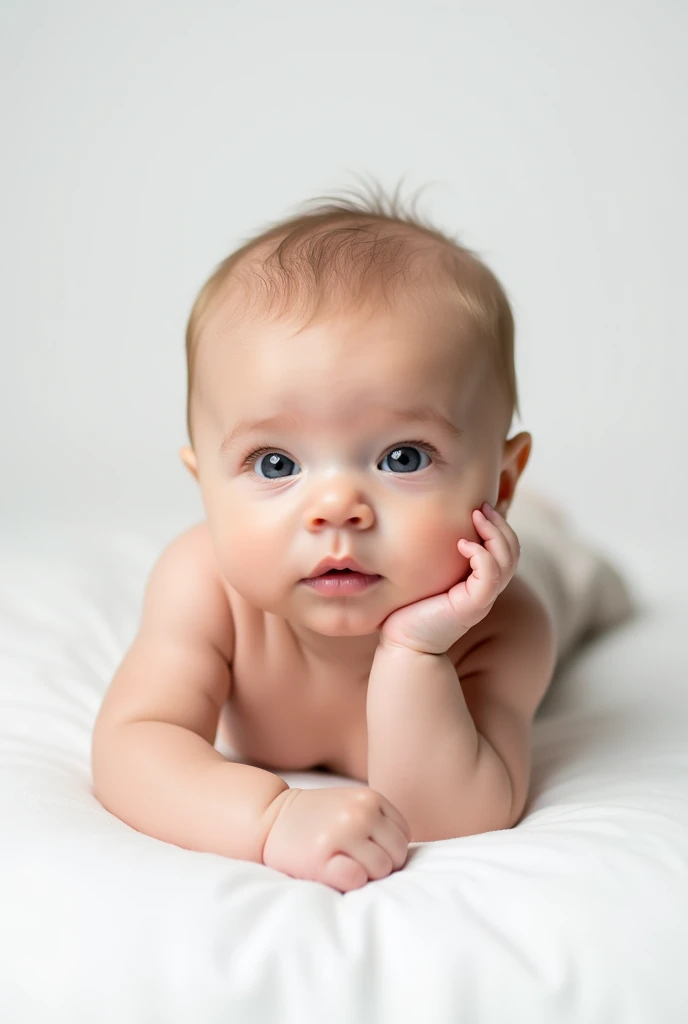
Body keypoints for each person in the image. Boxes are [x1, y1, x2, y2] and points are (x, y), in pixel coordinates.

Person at [90, 179, 612, 893]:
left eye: (403, 458)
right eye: (276, 464)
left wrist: (415, 653)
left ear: (501, 482)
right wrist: (269, 819)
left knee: (577, 577)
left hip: (543, 568)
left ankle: (552, 531)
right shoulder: (201, 585)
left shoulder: (507, 623)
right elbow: (133, 746)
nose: (336, 509)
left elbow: (452, 817)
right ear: (204, 486)